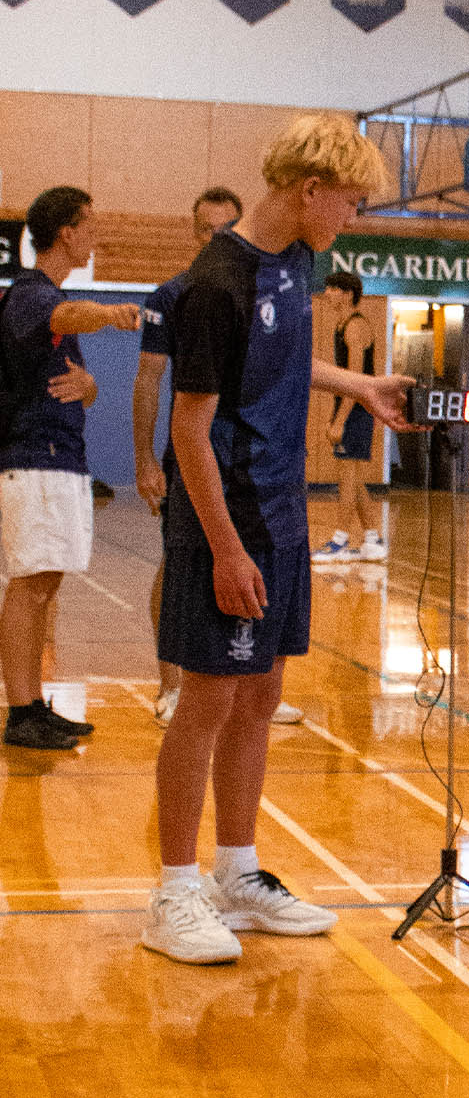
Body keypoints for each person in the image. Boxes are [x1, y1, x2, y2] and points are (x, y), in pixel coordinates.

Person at [144, 113, 416, 965]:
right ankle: (174, 891)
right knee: (208, 698)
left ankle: (237, 873)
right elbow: (190, 428)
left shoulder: (299, 263)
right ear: (309, 190)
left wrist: (361, 384)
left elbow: (287, 366)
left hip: (282, 513)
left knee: (260, 695)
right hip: (224, 519)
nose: (355, 214)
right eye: (352, 199)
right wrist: (224, 547)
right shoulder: (216, 280)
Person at [0, 186, 143, 750]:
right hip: (33, 462)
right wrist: (109, 313)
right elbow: (68, 312)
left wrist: (90, 385)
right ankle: (19, 710)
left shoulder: (48, 303)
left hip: (57, 462)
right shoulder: (33, 294)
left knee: (44, 583)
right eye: (91, 224)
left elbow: (75, 384)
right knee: (28, 585)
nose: (97, 234)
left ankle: (32, 701)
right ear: (66, 232)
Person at [135, 185, 245, 725]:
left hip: (246, 460)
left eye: (225, 229)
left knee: (251, 564)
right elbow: (148, 381)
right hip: (189, 453)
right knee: (179, 567)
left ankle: (248, 684)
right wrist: (144, 460)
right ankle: (170, 684)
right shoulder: (170, 296)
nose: (215, 239)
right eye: (206, 229)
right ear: (192, 230)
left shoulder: (259, 294)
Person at [313, 272, 389, 565]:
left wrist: (340, 420)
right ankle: (373, 538)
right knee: (352, 478)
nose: (327, 293)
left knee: (347, 478)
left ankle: (341, 539)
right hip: (347, 408)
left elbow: (356, 381)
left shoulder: (356, 327)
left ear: (347, 293)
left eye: (332, 288)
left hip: (357, 409)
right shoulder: (342, 323)